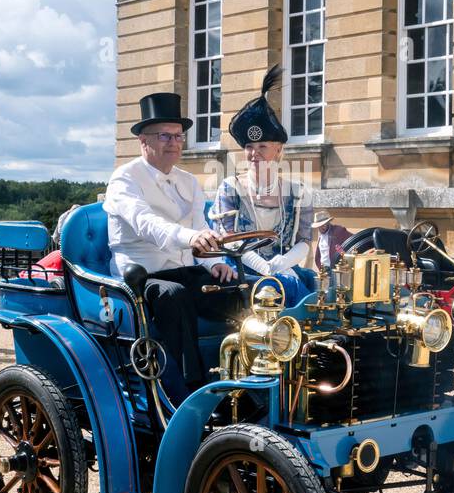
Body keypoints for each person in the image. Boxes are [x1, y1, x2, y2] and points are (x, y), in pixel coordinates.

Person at [104, 91, 240, 398]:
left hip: (183, 270)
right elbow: (146, 223)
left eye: (179, 136)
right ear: (143, 140)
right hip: (140, 277)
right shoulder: (124, 179)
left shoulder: (189, 181)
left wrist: (214, 262)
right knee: (173, 296)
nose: (174, 143)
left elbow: (200, 228)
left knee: (239, 291)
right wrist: (191, 238)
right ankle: (188, 392)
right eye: (165, 135)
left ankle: (244, 379)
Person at [211, 66, 314, 305]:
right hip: (239, 270)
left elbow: (304, 241)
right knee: (280, 287)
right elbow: (228, 237)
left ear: (278, 149)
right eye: (249, 147)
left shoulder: (298, 193)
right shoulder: (230, 188)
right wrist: (263, 267)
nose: (254, 154)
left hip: (283, 268)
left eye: (262, 147)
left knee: (314, 290)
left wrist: (280, 264)